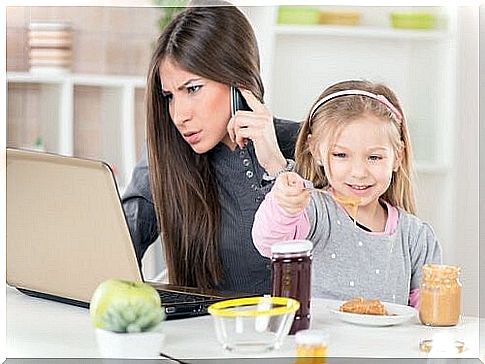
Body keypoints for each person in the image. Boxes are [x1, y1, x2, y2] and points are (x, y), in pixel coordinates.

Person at [121, 2, 300, 293]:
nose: (179, 116)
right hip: (199, 332)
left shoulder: (303, 144)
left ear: (238, 81)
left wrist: (277, 168)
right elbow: (124, 239)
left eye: (192, 89)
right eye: (169, 96)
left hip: (291, 333)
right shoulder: (168, 150)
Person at [252, 80, 442, 306]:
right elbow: (269, 242)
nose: (359, 172)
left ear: (397, 157)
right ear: (316, 151)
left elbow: (428, 314)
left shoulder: (416, 237)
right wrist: (284, 204)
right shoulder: (311, 210)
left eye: (374, 157)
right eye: (341, 155)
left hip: (387, 343)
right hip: (317, 342)